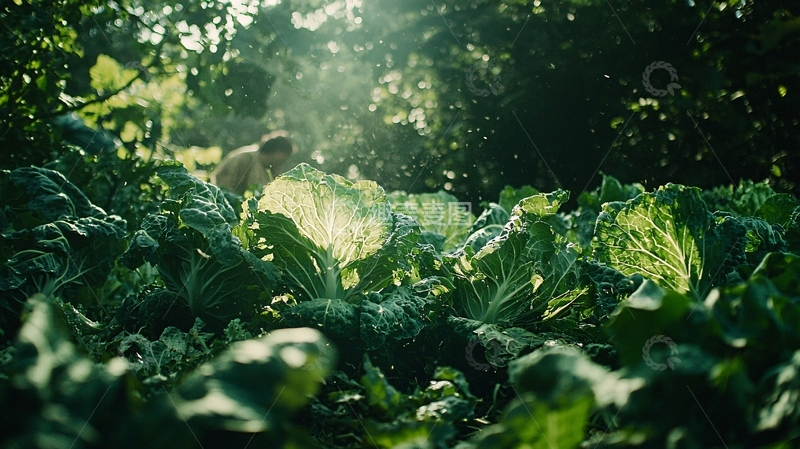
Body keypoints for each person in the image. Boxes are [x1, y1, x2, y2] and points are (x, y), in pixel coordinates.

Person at [210, 130, 295, 195]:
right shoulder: (244, 159)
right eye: (284, 158)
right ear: (279, 153)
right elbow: (224, 190)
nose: (283, 163)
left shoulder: (271, 169)